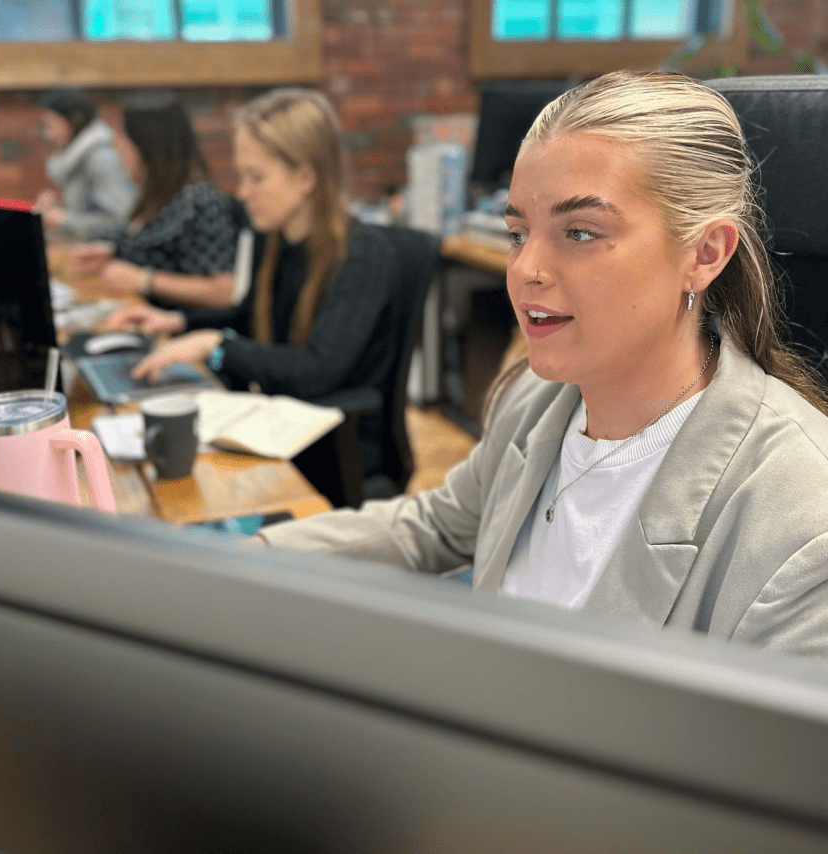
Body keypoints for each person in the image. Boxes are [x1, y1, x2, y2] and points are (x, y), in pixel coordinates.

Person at [257, 70, 828, 662]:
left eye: (579, 231)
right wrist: (244, 556)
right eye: (517, 232)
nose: (526, 267)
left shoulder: (803, 519)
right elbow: (434, 526)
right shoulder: (536, 401)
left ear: (705, 254)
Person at [106, 87, 398, 486]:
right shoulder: (275, 239)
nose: (242, 193)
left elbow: (315, 370)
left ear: (306, 177)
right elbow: (250, 316)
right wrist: (177, 321)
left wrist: (216, 347)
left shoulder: (363, 256)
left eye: (256, 177)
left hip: (332, 449)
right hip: (279, 426)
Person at [70, 91, 240, 309]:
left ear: (148, 145)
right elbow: (161, 251)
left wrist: (145, 280)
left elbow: (224, 291)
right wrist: (114, 251)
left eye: (123, 138)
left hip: (178, 333)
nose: (117, 147)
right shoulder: (158, 195)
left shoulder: (201, 202)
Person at [33, 87, 138, 240]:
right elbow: (88, 210)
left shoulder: (101, 158)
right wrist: (58, 204)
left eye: (52, 123)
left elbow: (119, 222)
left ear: (75, 119)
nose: (48, 134)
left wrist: (62, 219)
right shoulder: (78, 157)